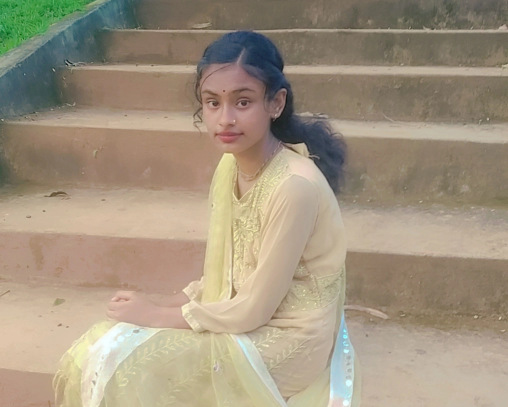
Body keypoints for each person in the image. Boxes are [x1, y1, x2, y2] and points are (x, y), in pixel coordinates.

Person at [53, 30, 361, 407]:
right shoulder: (231, 167)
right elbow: (226, 275)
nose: (225, 119)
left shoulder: (294, 187)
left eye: (243, 102)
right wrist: (163, 304)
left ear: (276, 103)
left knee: (136, 368)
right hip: (243, 316)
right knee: (102, 346)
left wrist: (155, 315)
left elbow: (254, 308)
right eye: (213, 103)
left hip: (291, 338)